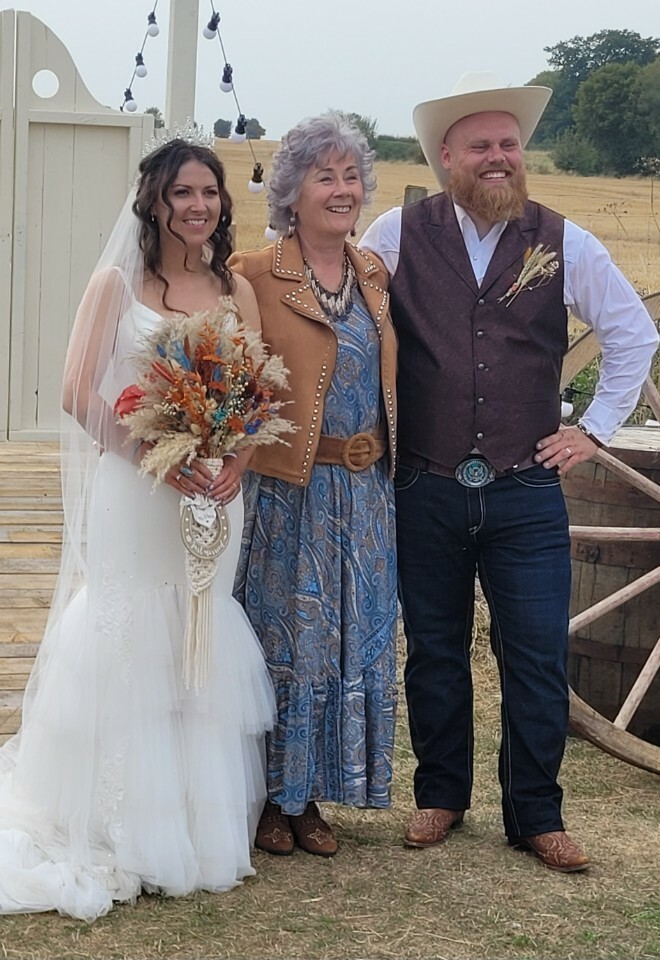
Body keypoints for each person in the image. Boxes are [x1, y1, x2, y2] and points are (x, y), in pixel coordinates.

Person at [360, 73, 659, 872]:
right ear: (448, 156)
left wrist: (592, 431)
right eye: (482, 147)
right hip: (423, 482)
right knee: (432, 648)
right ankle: (440, 797)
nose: (499, 159)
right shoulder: (395, 234)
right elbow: (345, 320)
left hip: (526, 489)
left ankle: (536, 814)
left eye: (509, 146)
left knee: (534, 654)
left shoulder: (564, 237)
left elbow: (633, 333)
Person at [0, 137, 276, 920]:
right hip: (139, 487)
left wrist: (234, 464)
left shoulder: (234, 287)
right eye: (182, 192)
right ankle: (112, 820)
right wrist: (159, 453)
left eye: (210, 193)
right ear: (154, 200)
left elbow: (256, 396)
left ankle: (191, 825)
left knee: (198, 628)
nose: (199, 206)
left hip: (212, 497)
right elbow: (77, 390)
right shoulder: (117, 282)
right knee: (127, 627)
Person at [230, 112, 398, 858]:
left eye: (351, 175)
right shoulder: (254, 273)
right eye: (324, 176)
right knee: (283, 644)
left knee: (345, 646)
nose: (342, 189)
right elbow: (232, 376)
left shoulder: (373, 273)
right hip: (288, 494)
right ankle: (271, 800)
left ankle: (316, 799)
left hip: (365, 501)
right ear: (291, 192)